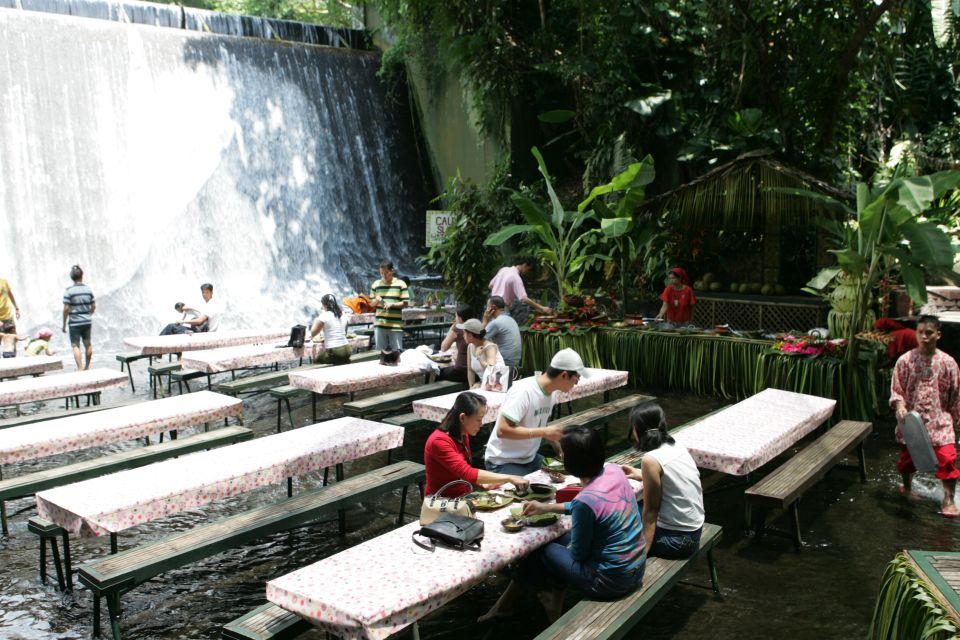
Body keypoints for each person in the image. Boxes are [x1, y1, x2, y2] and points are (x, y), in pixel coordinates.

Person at [480, 427, 645, 623]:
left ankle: (507, 607)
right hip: (636, 568)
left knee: (543, 550)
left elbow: (578, 554)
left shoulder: (586, 501)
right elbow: (588, 505)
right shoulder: (614, 471)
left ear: (572, 461)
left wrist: (565, 544)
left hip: (609, 582)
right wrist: (546, 508)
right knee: (559, 542)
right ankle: (544, 602)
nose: (561, 454)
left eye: (563, 452)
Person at [890, 314, 960, 517]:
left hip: (940, 421)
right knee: (906, 462)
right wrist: (900, 406)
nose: (924, 337)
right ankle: (907, 488)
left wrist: (956, 419)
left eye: (929, 333)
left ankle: (948, 499)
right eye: (920, 332)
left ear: (938, 334)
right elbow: (897, 390)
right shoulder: (905, 360)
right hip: (913, 421)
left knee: (947, 458)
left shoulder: (948, 362)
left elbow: (956, 394)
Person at [484, 348, 587, 475]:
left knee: (568, 476)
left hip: (529, 459)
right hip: (504, 462)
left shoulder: (552, 393)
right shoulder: (524, 391)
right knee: (535, 491)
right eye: (577, 379)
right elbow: (502, 430)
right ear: (564, 375)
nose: (576, 384)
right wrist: (544, 432)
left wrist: (555, 443)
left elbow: (538, 422)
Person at [620, 403, 704, 558]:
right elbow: (671, 477)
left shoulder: (650, 459)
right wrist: (640, 474)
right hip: (693, 530)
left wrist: (641, 555)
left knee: (619, 532)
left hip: (677, 541)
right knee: (628, 513)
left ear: (636, 430)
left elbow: (651, 512)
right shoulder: (675, 444)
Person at [424, 391, 531, 497]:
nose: (481, 424)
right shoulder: (439, 441)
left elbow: (462, 469)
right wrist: (509, 478)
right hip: (440, 502)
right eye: (478, 420)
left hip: (462, 497)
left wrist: (481, 483)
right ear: (462, 418)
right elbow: (467, 472)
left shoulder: (463, 434)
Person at [488, 256, 551, 325]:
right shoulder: (516, 278)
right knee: (505, 331)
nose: (527, 272)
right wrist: (542, 308)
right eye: (528, 269)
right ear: (525, 265)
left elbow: (490, 285)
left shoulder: (504, 269)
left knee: (490, 330)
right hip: (501, 309)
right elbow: (524, 299)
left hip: (490, 305)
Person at [62, 264, 95, 370]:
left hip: (74, 322)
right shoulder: (88, 290)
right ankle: (87, 366)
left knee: (75, 345)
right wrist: (88, 314)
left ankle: (80, 369)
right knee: (88, 344)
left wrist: (64, 324)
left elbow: (66, 309)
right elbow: (93, 306)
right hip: (87, 321)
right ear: (82, 276)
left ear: (72, 277)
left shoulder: (69, 291)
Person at [370, 260, 409, 351]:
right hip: (380, 325)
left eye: (386, 273)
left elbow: (405, 304)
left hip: (395, 325)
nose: (383, 275)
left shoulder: (401, 284)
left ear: (392, 271)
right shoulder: (376, 284)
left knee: (397, 352)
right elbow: (371, 304)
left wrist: (392, 304)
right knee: (380, 353)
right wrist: (376, 300)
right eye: (381, 273)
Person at [458, 318, 505, 390]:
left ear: (470, 335)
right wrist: (471, 387)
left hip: (497, 386)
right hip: (484, 385)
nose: (463, 335)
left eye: (464, 333)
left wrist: (479, 357)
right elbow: (470, 370)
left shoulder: (490, 347)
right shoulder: (470, 346)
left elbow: (491, 371)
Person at [309, 294, 352, 365]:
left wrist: (316, 320)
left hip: (335, 352)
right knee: (339, 359)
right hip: (348, 350)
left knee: (316, 359)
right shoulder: (343, 314)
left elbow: (313, 333)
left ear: (325, 305)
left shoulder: (324, 316)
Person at [483, 296, 522, 368]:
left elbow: (478, 338)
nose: (486, 310)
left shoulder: (496, 323)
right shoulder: (511, 319)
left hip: (504, 363)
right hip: (515, 362)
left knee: (475, 348)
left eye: (487, 306)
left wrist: (485, 320)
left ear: (493, 308)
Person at [437, 304, 471, 383]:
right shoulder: (476, 326)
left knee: (437, 372)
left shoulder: (458, 328)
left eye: (456, 316)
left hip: (462, 372)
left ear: (460, 318)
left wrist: (451, 328)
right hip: (474, 372)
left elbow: (443, 348)